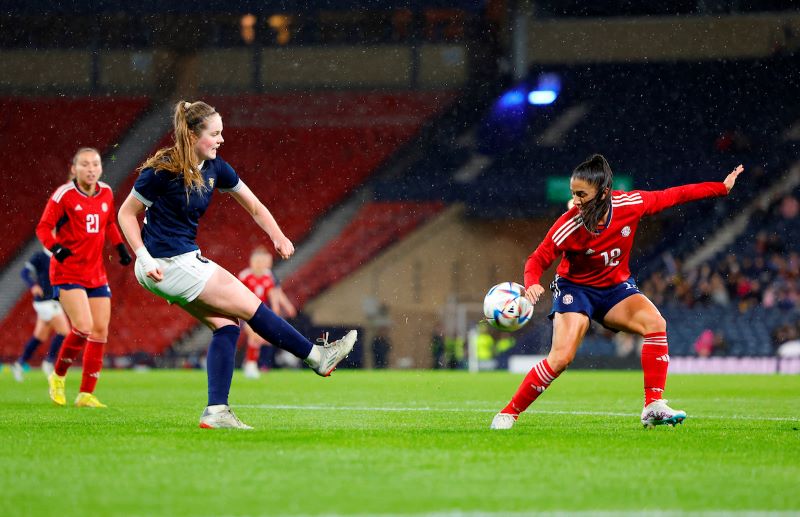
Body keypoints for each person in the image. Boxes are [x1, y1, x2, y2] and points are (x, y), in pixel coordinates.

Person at [117, 100, 357, 430]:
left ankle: (216, 411)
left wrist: (278, 236)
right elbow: (125, 214)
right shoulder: (162, 169)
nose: (220, 140)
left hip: (174, 265)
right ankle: (317, 357)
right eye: (214, 134)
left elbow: (255, 207)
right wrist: (143, 257)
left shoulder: (217, 168)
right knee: (252, 307)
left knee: (228, 325)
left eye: (221, 133)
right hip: (169, 264)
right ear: (191, 135)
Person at [490, 154, 743, 430]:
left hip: (614, 288)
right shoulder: (569, 225)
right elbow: (537, 259)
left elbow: (674, 195)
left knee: (656, 323)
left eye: (582, 194)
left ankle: (653, 405)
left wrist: (721, 187)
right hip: (576, 290)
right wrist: (532, 282)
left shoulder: (630, 204)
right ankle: (508, 413)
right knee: (561, 358)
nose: (576, 201)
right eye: (573, 194)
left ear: (604, 192)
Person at [36, 147, 133, 408]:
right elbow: (43, 227)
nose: (91, 169)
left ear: (101, 168)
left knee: (100, 331)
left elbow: (109, 223)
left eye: (95, 164)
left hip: (95, 272)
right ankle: (57, 376)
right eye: (85, 165)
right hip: (67, 271)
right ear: (74, 169)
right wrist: (56, 247)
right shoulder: (64, 195)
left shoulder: (106, 192)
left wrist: (120, 247)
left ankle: (85, 394)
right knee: (83, 327)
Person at [237, 246, 297, 379]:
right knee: (254, 336)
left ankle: (250, 363)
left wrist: (277, 309)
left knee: (260, 339)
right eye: (256, 261)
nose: (259, 264)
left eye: (261, 261)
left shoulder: (267, 276)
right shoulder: (245, 276)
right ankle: (251, 365)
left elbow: (273, 294)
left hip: (260, 312)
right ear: (252, 262)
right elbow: (238, 294)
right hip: (246, 312)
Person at [11, 248, 69, 382]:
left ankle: (19, 364)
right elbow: (24, 272)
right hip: (45, 301)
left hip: (50, 301)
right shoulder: (40, 256)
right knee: (64, 332)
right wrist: (33, 286)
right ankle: (48, 362)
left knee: (40, 336)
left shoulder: (58, 255)